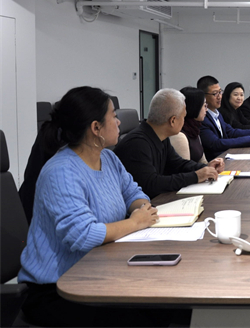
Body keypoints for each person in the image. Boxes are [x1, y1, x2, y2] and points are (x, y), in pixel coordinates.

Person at [17, 86, 179, 327]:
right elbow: (83, 235)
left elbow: (134, 193)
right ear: (96, 128)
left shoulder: (109, 158)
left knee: (167, 303)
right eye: (113, 116)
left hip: (100, 269)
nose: (119, 122)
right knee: (147, 316)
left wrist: (142, 207)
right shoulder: (61, 172)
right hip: (58, 288)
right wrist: (135, 222)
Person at [114, 89, 222, 199]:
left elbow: (177, 163)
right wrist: (196, 176)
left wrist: (206, 168)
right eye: (183, 117)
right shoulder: (137, 144)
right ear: (173, 121)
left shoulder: (160, 136)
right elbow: (151, 184)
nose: (184, 121)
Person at [197, 76, 250, 161]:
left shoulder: (217, 113)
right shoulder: (202, 118)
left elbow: (231, 132)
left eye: (220, 92)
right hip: (216, 161)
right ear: (203, 96)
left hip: (226, 156)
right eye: (215, 93)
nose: (219, 97)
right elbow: (216, 143)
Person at [169, 86, 209, 163]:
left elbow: (202, 160)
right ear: (195, 107)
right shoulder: (179, 135)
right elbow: (185, 168)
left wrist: (212, 167)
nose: (206, 109)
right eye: (204, 106)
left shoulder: (194, 129)